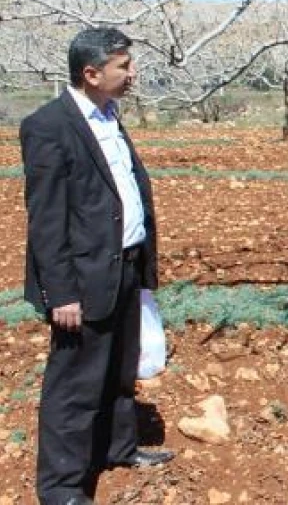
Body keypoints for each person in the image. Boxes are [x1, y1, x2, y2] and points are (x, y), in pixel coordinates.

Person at [22, 27, 173, 505]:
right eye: (123, 66)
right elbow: (46, 220)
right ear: (91, 73)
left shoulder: (109, 115)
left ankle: (117, 448)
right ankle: (62, 487)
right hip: (82, 279)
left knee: (118, 370)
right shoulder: (48, 126)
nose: (133, 74)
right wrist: (60, 292)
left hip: (124, 265)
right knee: (74, 386)